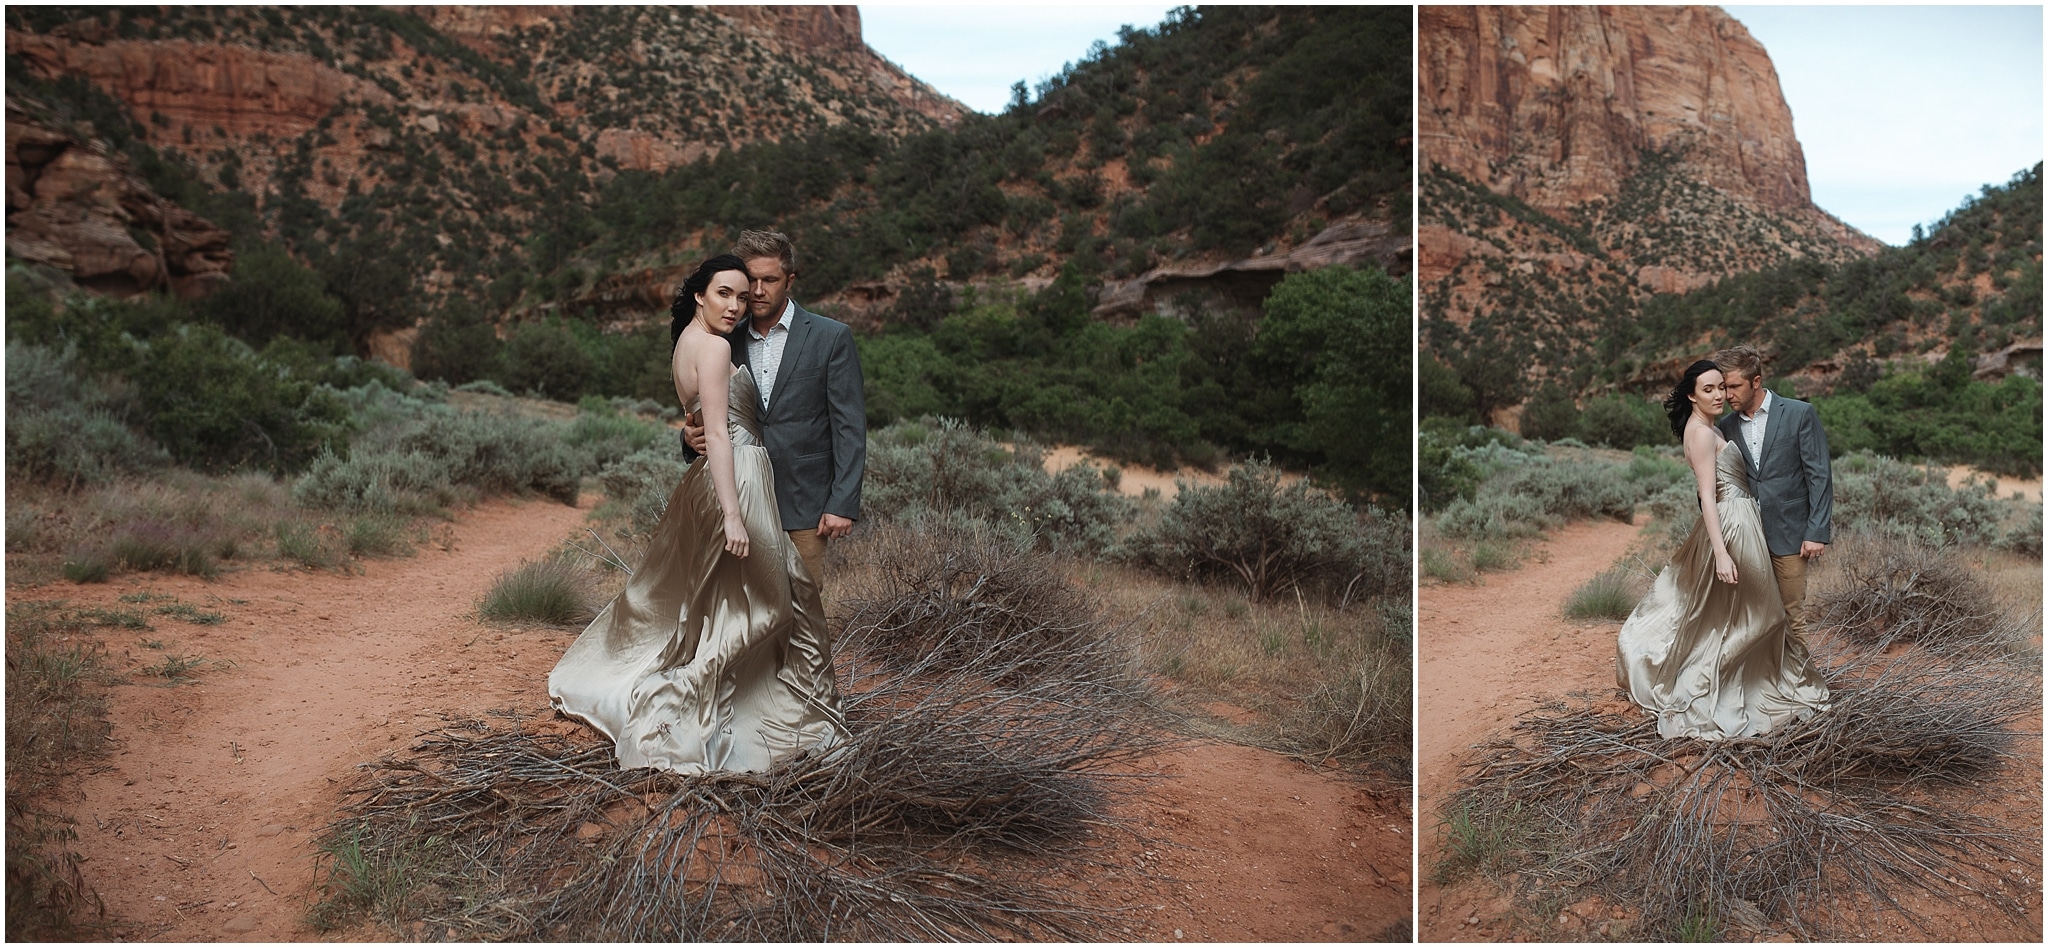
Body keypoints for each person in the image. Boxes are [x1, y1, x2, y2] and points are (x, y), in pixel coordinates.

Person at [549, 254, 844, 774]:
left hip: (717, 481)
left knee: (730, 600)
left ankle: (764, 703)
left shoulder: (687, 343)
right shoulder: (712, 348)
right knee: (775, 603)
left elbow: (703, 422)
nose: (736, 304)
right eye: (724, 294)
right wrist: (734, 514)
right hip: (739, 481)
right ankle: (681, 703)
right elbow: (723, 436)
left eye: (741, 295)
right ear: (699, 296)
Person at [1615, 359, 1829, 739]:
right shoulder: (1703, 433)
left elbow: (1817, 473)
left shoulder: (1718, 425)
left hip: (1758, 525)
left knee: (1742, 616)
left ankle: (1760, 680)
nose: (1722, 395)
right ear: (1691, 395)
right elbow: (1707, 497)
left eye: (1724, 387)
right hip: (1734, 527)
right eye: (1711, 389)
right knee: (1761, 615)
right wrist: (1722, 551)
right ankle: (1721, 687)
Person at [682, 230, 865, 591]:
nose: (759, 291)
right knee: (743, 616)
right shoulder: (723, 340)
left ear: (790, 280)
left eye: (770, 280)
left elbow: (850, 426)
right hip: (740, 500)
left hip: (805, 505)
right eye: (751, 281)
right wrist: (688, 437)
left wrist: (842, 502)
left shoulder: (831, 337)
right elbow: (710, 412)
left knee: (804, 615)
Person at [1711, 344, 1832, 674]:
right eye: (1723, 387)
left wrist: (1816, 531)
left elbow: (1819, 473)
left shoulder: (1799, 413)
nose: (1727, 394)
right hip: (1746, 536)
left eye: (1733, 386)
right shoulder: (1726, 425)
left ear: (1756, 381)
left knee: (1793, 613)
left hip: (1792, 534)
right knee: (1750, 615)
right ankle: (1762, 682)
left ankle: (1803, 684)